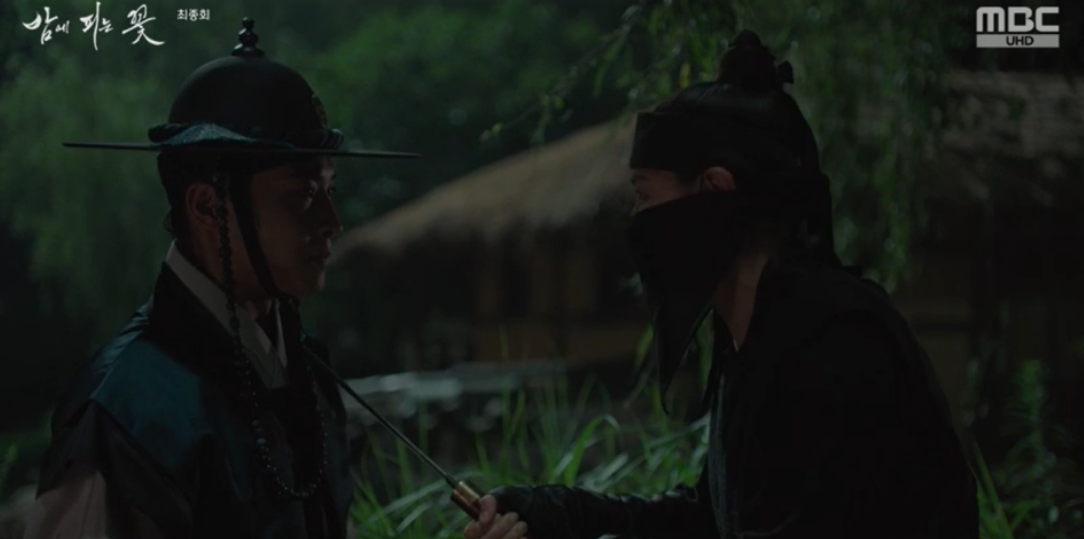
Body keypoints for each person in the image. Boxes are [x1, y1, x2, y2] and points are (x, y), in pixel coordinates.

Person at [463, 30, 978, 539]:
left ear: (714, 189)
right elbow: (709, 519)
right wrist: (553, 514)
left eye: (645, 195)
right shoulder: (750, 339)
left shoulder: (835, 343)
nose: (637, 220)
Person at [22, 18, 418, 539]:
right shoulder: (126, 409)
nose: (331, 221)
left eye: (330, 190)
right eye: (302, 194)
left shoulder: (307, 370)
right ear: (208, 207)